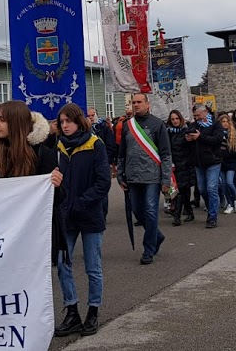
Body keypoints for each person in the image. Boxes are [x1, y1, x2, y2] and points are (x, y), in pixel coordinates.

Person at [53, 103, 110, 338]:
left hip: (89, 214)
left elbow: (103, 182)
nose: (65, 126)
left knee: (93, 267)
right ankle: (72, 310)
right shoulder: (57, 147)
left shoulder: (95, 144)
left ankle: (93, 311)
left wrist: (81, 202)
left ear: (79, 121)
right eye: (62, 122)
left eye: (69, 121)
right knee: (62, 264)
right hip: (65, 215)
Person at [117, 93, 173, 263]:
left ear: (148, 104)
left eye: (139, 102)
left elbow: (165, 154)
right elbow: (122, 154)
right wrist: (120, 176)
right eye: (133, 102)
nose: (136, 105)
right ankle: (157, 236)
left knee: (150, 211)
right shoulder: (128, 126)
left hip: (152, 177)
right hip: (133, 177)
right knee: (137, 212)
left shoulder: (158, 125)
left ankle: (148, 249)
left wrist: (166, 180)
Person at [189, 103, 224, 228]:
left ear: (204, 112)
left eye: (198, 115)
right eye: (195, 116)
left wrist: (200, 137)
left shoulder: (215, 124)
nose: (196, 118)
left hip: (213, 161)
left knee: (211, 188)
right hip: (199, 162)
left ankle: (212, 216)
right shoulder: (194, 125)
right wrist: (188, 138)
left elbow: (218, 139)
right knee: (202, 189)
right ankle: (211, 207)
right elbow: (188, 139)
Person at [165, 110, 196, 226]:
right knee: (179, 191)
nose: (175, 121)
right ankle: (188, 211)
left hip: (185, 165)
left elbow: (191, 144)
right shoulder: (167, 132)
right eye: (173, 119)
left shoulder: (186, 132)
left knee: (182, 191)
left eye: (177, 119)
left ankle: (177, 216)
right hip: (173, 165)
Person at [217, 112, 236, 215]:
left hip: (232, 162)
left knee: (230, 182)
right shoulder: (218, 135)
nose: (225, 124)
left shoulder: (234, 135)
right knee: (223, 184)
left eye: (227, 121)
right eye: (223, 122)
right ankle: (229, 203)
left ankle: (235, 201)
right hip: (221, 163)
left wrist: (231, 153)